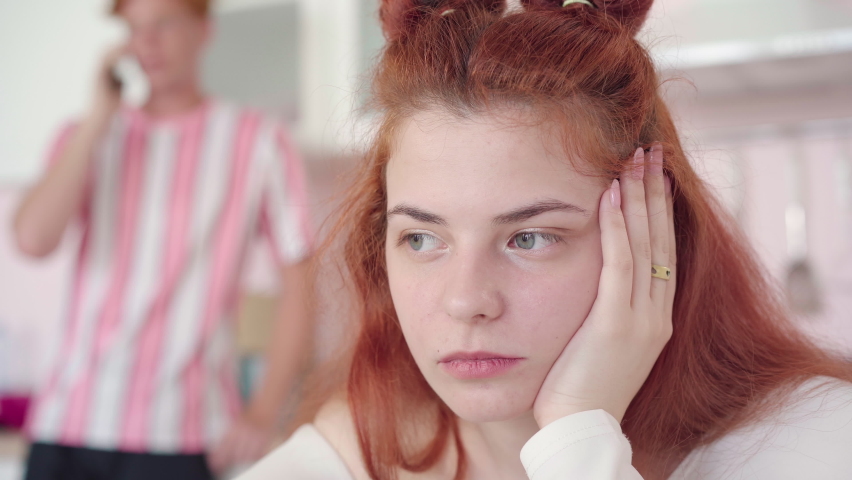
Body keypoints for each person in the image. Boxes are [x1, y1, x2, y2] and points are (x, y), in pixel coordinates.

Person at [236, 0, 852, 479]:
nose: (466, 301)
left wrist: (578, 432)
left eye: (529, 238)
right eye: (422, 239)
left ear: (654, 236)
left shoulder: (815, 439)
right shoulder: (349, 459)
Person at [13, 0, 314, 478]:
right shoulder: (85, 135)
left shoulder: (256, 140)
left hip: (183, 435)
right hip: (65, 426)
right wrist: (97, 118)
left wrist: (263, 411)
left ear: (204, 30)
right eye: (134, 28)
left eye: (164, 24)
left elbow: (302, 283)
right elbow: (32, 240)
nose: (147, 42)